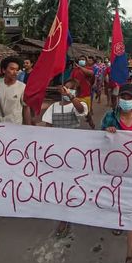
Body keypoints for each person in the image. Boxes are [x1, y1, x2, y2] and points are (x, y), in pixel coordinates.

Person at [101, 83, 132, 263]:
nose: (126, 101)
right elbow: (97, 141)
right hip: (114, 170)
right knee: (117, 202)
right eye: (124, 97)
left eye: (130, 98)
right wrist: (107, 133)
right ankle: (117, 220)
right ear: (119, 98)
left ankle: (130, 256)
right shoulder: (110, 117)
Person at [39, 78, 88, 237]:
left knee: (68, 184)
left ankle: (64, 218)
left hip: (72, 152)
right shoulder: (53, 107)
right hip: (56, 152)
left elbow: (81, 110)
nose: (67, 91)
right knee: (56, 183)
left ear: (76, 92)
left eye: (71, 89)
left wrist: (72, 98)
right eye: (65, 88)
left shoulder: (77, 105)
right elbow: (47, 128)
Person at [70, 55, 95, 128]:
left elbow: (90, 73)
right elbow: (71, 80)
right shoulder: (74, 70)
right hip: (76, 95)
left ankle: (91, 123)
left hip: (86, 95)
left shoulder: (89, 68)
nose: (81, 60)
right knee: (73, 111)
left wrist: (80, 67)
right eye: (80, 59)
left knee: (87, 113)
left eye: (83, 59)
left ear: (86, 61)